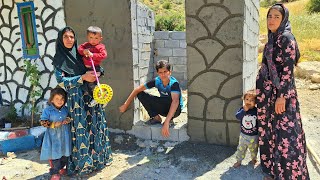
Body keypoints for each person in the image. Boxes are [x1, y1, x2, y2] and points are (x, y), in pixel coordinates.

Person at [256, 4, 309, 180]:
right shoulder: (272, 39)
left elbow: (287, 72)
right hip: (267, 96)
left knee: (286, 135)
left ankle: (289, 174)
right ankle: (272, 171)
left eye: (276, 16)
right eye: (269, 16)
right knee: (269, 133)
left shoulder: (286, 38)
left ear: (284, 18)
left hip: (281, 97)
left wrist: (281, 97)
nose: (271, 20)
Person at [52, 26, 112, 176]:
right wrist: (82, 78)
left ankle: (99, 160)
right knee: (81, 130)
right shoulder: (59, 59)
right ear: (60, 39)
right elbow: (61, 81)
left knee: (96, 126)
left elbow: (95, 64)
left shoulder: (81, 53)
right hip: (76, 99)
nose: (69, 40)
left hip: (92, 96)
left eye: (72, 37)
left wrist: (99, 72)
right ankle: (83, 165)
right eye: (66, 37)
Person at [119, 60, 183, 138]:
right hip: (164, 108)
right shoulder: (157, 81)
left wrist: (166, 122)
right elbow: (137, 90)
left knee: (171, 100)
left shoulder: (174, 84)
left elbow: (175, 102)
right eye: (160, 72)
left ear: (170, 72)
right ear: (157, 73)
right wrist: (126, 104)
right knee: (140, 93)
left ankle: (170, 119)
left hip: (175, 110)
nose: (163, 75)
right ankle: (156, 118)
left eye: (165, 71)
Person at [39, 87, 71, 180]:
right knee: (55, 155)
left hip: (64, 136)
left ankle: (61, 168)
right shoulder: (47, 110)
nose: (60, 101)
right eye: (57, 99)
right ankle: (55, 172)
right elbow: (43, 122)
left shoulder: (66, 109)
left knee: (65, 154)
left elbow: (70, 117)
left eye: (62, 99)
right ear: (52, 99)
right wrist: (53, 124)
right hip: (53, 137)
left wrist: (67, 120)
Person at [78, 26, 107, 107]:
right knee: (87, 84)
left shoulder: (100, 47)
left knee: (91, 83)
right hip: (85, 69)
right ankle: (99, 97)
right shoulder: (86, 45)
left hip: (95, 67)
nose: (93, 40)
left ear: (100, 38)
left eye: (96, 38)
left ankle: (99, 97)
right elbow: (79, 49)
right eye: (91, 37)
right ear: (87, 37)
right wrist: (83, 51)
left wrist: (93, 55)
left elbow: (103, 55)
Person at [233, 90, 258, 168]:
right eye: (247, 99)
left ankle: (254, 159)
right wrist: (244, 110)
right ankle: (238, 161)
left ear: (255, 102)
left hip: (254, 136)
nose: (249, 102)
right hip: (243, 135)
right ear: (244, 100)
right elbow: (237, 116)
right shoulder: (242, 109)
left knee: (254, 149)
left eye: (251, 100)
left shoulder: (256, 111)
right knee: (241, 149)